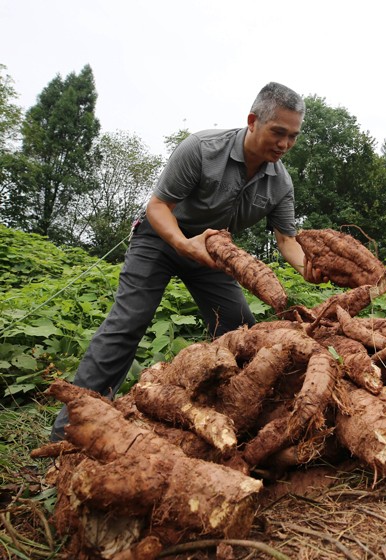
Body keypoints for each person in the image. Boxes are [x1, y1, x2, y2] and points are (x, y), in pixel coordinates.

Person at [50, 82, 321, 441]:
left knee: (240, 328)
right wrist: (182, 243)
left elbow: (287, 240)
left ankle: (225, 418)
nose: (285, 144)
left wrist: (312, 268)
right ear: (253, 120)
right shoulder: (203, 148)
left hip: (212, 250)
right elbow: (158, 207)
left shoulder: (280, 183)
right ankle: (69, 429)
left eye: (293, 136)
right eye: (278, 132)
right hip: (160, 239)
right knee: (129, 322)